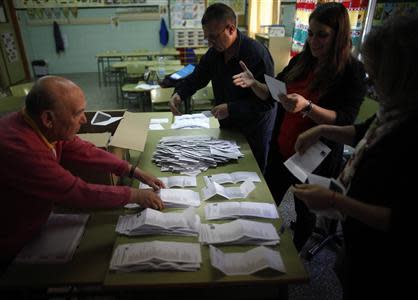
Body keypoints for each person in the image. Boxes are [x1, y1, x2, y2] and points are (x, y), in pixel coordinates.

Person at [0, 76, 165, 285]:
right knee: (23, 284)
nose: (85, 120)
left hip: (27, 218)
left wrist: (131, 170)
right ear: (48, 118)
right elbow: (77, 192)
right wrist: (134, 194)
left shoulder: (38, 126)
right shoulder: (19, 149)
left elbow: (84, 151)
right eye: (78, 113)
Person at [292, 13, 418, 299]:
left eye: (378, 74)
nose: (372, 82)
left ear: (403, 75)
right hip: (359, 242)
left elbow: (403, 219)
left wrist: (336, 201)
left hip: (388, 259)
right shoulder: (395, 110)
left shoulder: (411, 129)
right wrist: (322, 129)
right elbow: (362, 131)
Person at [233, 2, 366, 251]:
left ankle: (296, 256)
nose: (314, 41)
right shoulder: (303, 60)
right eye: (311, 33)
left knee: (305, 211)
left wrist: (308, 107)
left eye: (322, 35)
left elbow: (345, 120)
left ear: (339, 35)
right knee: (267, 200)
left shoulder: (352, 71)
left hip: (314, 156)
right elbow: (276, 94)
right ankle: (257, 243)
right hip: (282, 148)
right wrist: (254, 84)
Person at [169, 3, 277, 173]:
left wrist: (231, 108)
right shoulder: (215, 53)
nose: (210, 42)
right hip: (228, 128)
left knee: (253, 178)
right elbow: (198, 77)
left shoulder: (257, 54)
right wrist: (179, 93)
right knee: (227, 174)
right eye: (207, 38)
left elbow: (269, 102)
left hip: (254, 132)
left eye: (213, 37)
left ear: (231, 29)